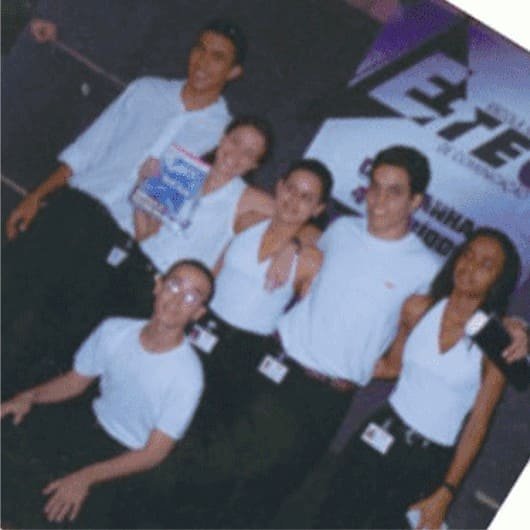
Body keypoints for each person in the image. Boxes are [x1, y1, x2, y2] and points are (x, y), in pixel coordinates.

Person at [1, 113, 275, 395]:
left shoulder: (247, 199)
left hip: (165, 292)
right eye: (235, 142)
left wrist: (292, 249)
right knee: (56, 332)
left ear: (255, 164)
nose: (236, 155)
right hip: (130, 266)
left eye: (249, 153)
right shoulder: (184, 172)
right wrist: (145, 187)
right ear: (222, 139)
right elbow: (146, 234)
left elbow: (293, 218)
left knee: (91, 363)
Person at [317, 228, 522, 529]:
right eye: (468, 255)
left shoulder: (496, 340)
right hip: (381, 432)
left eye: (486, 265)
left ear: (499, 281)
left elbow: (478, 423)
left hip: (429, 461)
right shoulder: (418, 308)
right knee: (331, 521)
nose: (471, 267)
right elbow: (392, 367)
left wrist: (447, 491)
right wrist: (331, 362)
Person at [1, 259, 214, 528]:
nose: (177, 300)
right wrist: (28, 397)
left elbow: (154, 453)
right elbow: (74, 382)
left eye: (191, 296)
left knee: (49, 512)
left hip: (124, 462)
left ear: (198, 313)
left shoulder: (189, 376)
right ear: (158, 286)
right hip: (85, 427)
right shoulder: (114, 330)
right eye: (174, 285)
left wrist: (85, 478)